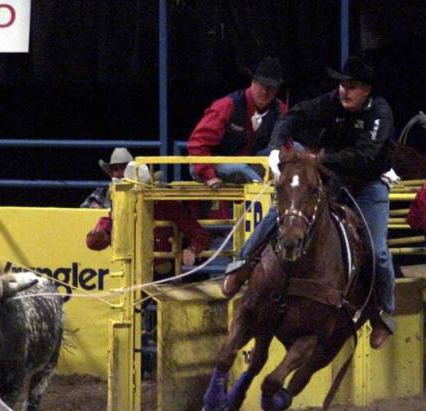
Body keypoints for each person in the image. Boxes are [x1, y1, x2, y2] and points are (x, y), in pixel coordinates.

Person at [221, 56, 397, 349]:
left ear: (366, 90)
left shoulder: (379, 113)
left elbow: (366, 155)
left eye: (351, 86)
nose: (344, 91)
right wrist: (277, 147)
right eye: (342, 85)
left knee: (377, 251)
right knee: (284, 214)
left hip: (368, 186)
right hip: (331, 180)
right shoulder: (330, 102)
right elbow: (292, 118)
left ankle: (383, 313)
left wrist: (320, 160)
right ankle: (241, 266)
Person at [84, 148, 210, 274]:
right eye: (116, 169)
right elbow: (104, 231)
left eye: (124, 168)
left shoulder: (165, 203)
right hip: (134, 270)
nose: (121, 173)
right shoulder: (118, 203)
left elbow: (197, 232)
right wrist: (98, 236)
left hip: (162, 271)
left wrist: (192, 249)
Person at [188, 57, 288, 189]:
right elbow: (198, 144)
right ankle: (266, 197)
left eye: (272, 88)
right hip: (211, 163)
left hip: (252, 163)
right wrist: (209, 175)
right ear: (253, 82)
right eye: (262, 85)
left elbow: (287, 144)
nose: (265, 92)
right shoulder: (227, 106)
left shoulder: (280, 110)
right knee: (241, 169)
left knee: (296, 149)